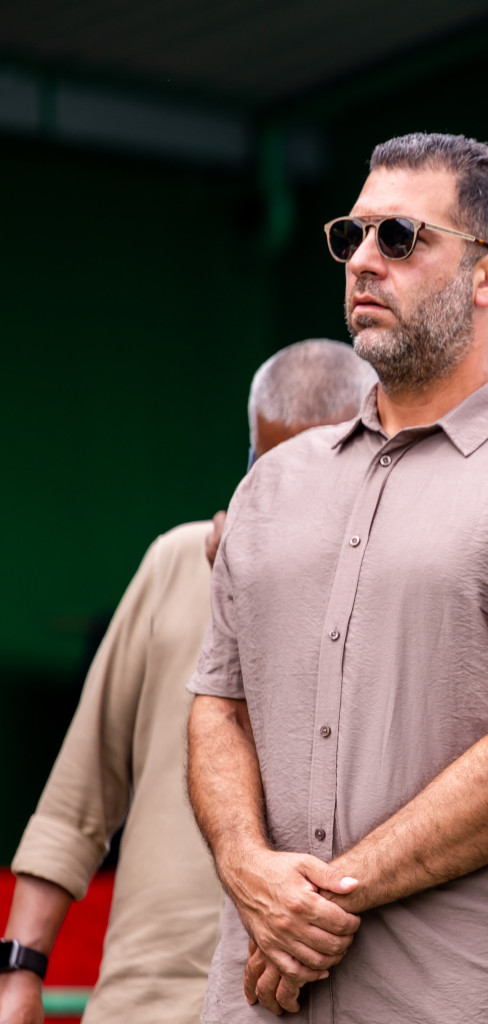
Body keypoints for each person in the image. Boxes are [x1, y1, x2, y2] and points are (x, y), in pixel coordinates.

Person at [186, 132, 488, 1023]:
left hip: (456, 997)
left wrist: (323, 897)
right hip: (257, 996)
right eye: (350, 236)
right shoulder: (273, 483)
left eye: (399, 238)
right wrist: (246, 866)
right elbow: (218, 704)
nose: (362, 260)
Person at [0, 340, 375, 1024]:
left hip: (302, 1003)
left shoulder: (397, 593)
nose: (283, 493)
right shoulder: (177, 563)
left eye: (314, 472)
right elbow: (76, 801)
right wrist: (19, 974)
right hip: (144, 1004)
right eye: (269, 469)